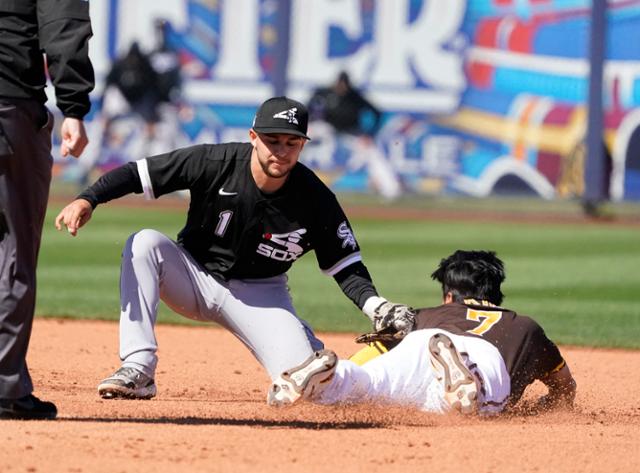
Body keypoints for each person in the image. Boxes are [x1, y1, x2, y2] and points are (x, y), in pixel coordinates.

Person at [54, 96, 415, 400]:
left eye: (292, 143)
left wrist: (376, 305)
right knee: (145, 242)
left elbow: (345, 263)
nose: (281, 151)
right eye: (273, 140)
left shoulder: (315, 198)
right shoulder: (215, 162)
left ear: (303, 145)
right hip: (192, 275)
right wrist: (88, 199)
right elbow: (137, 173)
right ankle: (138, 368)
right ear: (253, 137)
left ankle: (386, 375)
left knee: (310, 386)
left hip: (261, 296)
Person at [268, 250, 576, 416]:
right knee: (476, 404)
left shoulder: (424, 315)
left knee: (369, 384)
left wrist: (349, 367)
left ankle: (334, 377)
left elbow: (370, 357)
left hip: (421, 343)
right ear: (495, 295)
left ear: (448, 296)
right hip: (481, 360)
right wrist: (546, 408)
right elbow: (565, 388)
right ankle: (468, 385)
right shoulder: (524, 327)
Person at [0, 0, 94, 420]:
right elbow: (63, 25)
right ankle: (4, 386)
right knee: (12, 251)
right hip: (9, 103)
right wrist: (73, 107)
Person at [307, 72, 402, 200]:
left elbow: (376, 112)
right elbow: (307, 106)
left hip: (351, 132)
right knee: (300, 137)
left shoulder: (355, 96)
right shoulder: (324, 92)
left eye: (344, 85)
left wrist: (369, 134)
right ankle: (281, 179)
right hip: (327, 128)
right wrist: (311, 120)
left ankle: (391, 190)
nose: (342, 87)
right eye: (340, 84)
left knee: (372, 152)